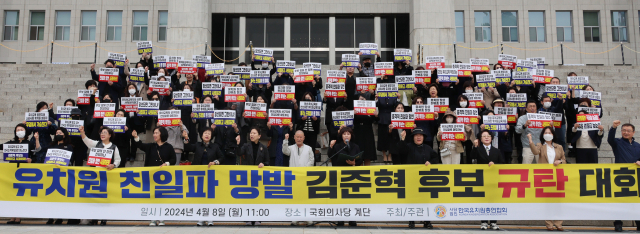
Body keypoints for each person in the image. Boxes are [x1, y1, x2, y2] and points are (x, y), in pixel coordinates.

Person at [131, 127, 176, 227]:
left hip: (163, 178)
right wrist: (136, 137)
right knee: (152, 197)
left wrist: (167, 164)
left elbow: (173, 159)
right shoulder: (151, 146)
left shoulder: (169, 147)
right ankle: (153, 218)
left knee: (162, 198)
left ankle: (162, 218)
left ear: (162, 134)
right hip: (150, 176)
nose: (154, 135)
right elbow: (140, 145)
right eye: (154, 133)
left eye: (156, 133)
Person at [79, 125, 120, 226]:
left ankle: (104, 218)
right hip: (95, 176)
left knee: (105, 198)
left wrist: (113, 165)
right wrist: (82, 132)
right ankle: (94, 218)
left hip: (107, 176)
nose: (102, 134)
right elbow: (87, 140)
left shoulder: (114, 147)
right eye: (101, 133)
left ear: (110, 135)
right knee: (95, 197)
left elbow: (118, 160)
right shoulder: (97, 144)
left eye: (105, 133)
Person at [527, 126, 566, 231]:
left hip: (557, 176)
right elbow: (535, 152)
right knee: (547, 201)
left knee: (558, 201)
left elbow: (564, 159)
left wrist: (560, 162)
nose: (548, 134)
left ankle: (558, 223)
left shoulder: (559, 147)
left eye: (549, 132)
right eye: (546, 132)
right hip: (545, 176)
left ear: (553, 134)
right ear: (543, 135)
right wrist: (530, 141)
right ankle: (549, 224)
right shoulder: (540, 145)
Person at [184, 127, 224, 227]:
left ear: (211, 137)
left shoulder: (215, 146)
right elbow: (188, 147)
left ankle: (210, 218)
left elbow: (221, 157)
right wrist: (186, 138)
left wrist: (215, 162)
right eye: (205, 133)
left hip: (211, 175)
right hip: (198, 175)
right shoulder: (197, 145)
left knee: (210, 197)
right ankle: (201, 218)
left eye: (209, 134)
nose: (207, 135)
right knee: (200, 197)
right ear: (201, 136)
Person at [399, 127, 438, 229]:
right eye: (416, 136)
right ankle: (411, 221)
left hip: (425, 180)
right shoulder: (408, 146)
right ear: (413, 138)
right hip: (411, 179)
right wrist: (403, 139)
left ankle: (427, 221)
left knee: (425, 201)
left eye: (420, 136)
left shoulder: (428, 148)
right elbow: (401, 151)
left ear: (424, 138)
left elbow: (436, 157)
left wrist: (430, 162)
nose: (419, 137)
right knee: (411, 200)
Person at [1, 123, 38, 224]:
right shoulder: (12, 143)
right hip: (12, 170)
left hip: (24, 171)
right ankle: (12, 216)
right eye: (17, 130)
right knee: (12, 194)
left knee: (20, 194)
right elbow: (2, 146)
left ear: (25, 131)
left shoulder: (29, 143)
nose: (19, 131)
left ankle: (18, 216)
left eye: (21, 129)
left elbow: (36, 155)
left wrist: (31, 160)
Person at [607, 120, 640, 232]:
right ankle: (618, 224)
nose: (626, 132)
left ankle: (638, 223)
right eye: (624, 130)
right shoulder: (617, 142)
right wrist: (613, 127)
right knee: (619, 201)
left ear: (633, 133)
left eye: (628, 131)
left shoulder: (637, 145)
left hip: (635, 178)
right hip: (619, 177)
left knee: (636, 201)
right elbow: (610, 139)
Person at [471, 129, 504, 230]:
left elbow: (503, 164)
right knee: (483, 201)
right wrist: (475, 147)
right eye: (484, 136)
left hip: (494, 180)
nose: (486, 137)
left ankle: (493, 222)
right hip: (482, 179)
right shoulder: (478, 149)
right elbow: (471, 158)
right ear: (480, 139)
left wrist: (495, 165)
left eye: (488, 136)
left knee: (493, 201)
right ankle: (484, 222)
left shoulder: (497, 151)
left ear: (491, 138)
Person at [43, 127, 73, 225]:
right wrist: (37, 139)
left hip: (63, 174)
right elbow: (41, 151)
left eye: (60, 132)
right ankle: (51, 217)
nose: (58, 134)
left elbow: (70, 159)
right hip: (52, 174)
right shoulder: (51, 146)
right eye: (56, 132)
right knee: (52, 197)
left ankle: (60, 217)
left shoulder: (68, 146)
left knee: (61, 197)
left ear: (64, 134)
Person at [376, 83, 399, 164]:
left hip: (391, 118)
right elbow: (376, 105)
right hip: (381, 118)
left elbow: (397, 106)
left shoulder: (393, 96)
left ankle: (389, 155)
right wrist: (376, 99)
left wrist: (398, 98)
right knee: (382, 138)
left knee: (391, 138)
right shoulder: (380, 96)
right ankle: (384, 154)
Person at [352, 94, 378, 165]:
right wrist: (352, 114)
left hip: (368, 132)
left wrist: (375, 115)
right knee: (359, 154)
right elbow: (351, 122)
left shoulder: (370, 109)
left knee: (368, 154)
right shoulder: (354, 109)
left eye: (364, 99)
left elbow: (374, 120)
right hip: (358, 131)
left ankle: (367, 171)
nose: (362, 101)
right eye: (360, 99)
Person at [296, 92, 321, 157]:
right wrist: (302, 119)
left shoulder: (316, 107)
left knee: (311, 150)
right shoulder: (300, 108)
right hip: (302, 132)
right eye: (306, 98)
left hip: (312, 133)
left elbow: (318, 120)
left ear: (312, 99)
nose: (307, 99)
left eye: (309, 97)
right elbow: (297, 120)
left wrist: (316, 119)